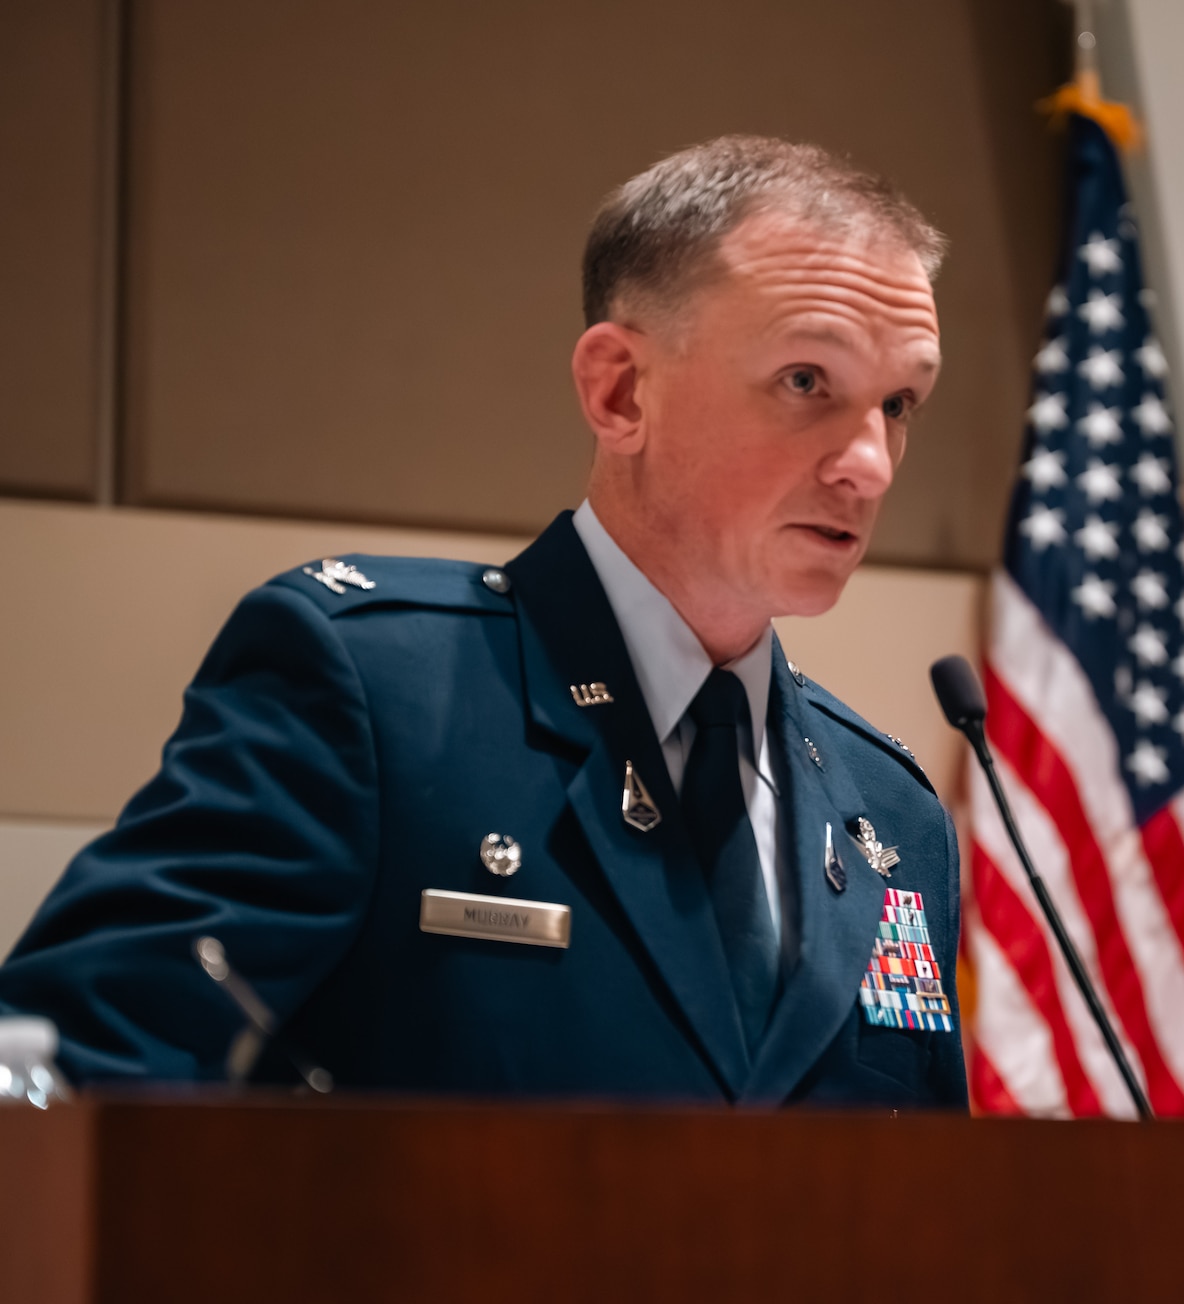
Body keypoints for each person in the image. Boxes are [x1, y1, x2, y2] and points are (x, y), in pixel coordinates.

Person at [0, 136, 967, 1109]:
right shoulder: (375, 691)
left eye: (898, 403)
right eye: (806, 381)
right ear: (620, 391)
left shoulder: (892, 814)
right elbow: (71, 1074)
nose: (869, 464)